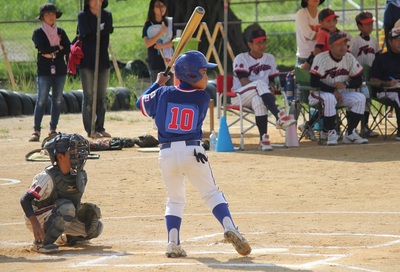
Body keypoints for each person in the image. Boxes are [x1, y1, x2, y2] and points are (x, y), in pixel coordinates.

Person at [136, 50, 251, 258]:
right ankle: (230, 227)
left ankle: (172, 243)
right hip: (193, 151)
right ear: (191, 76)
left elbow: (140, 104)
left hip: (167, 154)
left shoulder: (163, 93)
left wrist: (158, 84)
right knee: (211, 193)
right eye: (203, 72)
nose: (207, 77)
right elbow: (181, 94)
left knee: (175, 199)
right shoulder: (202, 97)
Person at [20, 133, 103, 253]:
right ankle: (41, 243)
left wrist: (84, 211)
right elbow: (25, 199)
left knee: (97, 227)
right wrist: (35, 223)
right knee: (66, 208)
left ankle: (69, 238)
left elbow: (72, 202)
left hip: (59, 212)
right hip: (37, 216)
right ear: (60, 156)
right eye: (73, 152)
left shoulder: (80, 176)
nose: (78, 155)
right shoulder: (47, 177)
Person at [232, 28, 296, 151]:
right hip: (240, 96)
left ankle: (263, 139)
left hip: (261, 95)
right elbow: (243, 81)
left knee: (258, 101)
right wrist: (265, 88)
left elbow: (272, 79)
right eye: (258, 42)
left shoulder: (269, 58)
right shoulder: (241, 58)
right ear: (249, 44)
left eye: (264, 42)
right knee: (259, 84)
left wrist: (271, 86)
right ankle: (279, 116)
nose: (262, 45)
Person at [309, 32, 368, 145]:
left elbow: (358, 79)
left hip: (341, 94)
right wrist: (333, 90)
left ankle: (350, 133)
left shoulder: (349, 57)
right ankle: (331, 133)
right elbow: (314, 81)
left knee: (360, 98)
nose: (343, 47)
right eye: (339, 44)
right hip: (319, 93)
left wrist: (346, 84)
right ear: (331, 46)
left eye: (345, 43)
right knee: (330, 98)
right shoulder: (321, 58)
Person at [29, 3, 70, 142]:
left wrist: (53, 53)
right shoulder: (38, 33)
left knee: (57, 100)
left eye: (53, 13)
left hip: (60, 70)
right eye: (48, 14)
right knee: (41, 100)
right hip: (44, 71)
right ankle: (36, 130)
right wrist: (58, 48)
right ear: (42, 17)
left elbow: (67, 48)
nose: (51, 16)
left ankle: (52, 129)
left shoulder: (61, 32)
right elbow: (42, 48)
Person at [77, 0, 113, 139]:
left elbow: (108, 30)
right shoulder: (83, 16)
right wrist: (99, 31)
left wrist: (98, 31)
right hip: (87, 61)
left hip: (103, 60)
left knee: (101, 97)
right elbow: (86, 34)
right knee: (89, 96)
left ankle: (100, 127)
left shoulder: (107, 15)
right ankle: (90, 129)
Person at [349, 11, 381, 138]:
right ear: (359, 26)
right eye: (366, 24)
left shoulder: (373, 40)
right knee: (357, 101)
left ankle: (365, 126)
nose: (370, 26)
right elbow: (349, 57)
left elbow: (377, 57)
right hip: (358, 76)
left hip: (369, 77)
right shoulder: (355, 41)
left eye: (371, 24)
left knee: (367, 102)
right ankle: (352, 127)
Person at [370, 27, 400, 141]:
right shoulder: (381, 59)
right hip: (385, 91)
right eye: (397, 39)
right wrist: (388, 83)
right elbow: (373, 80)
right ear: (390, 42)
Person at [142, 0, 175, 84]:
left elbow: (175, 41)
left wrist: (162, 46)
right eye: (158, 6)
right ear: (152, 9)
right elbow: (147, 43)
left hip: (169, 61)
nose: (161, 8)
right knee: (157, 88)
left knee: (170, 88)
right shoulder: (148, 24)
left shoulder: (169, 22)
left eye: (163, 5)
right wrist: (160, 34)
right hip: (155, 62)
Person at [295, 0, 325, 66]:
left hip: (321, 55)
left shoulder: (322, 14)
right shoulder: (301, 14)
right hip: (304, 56)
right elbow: (308, 34)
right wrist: (325, 36)